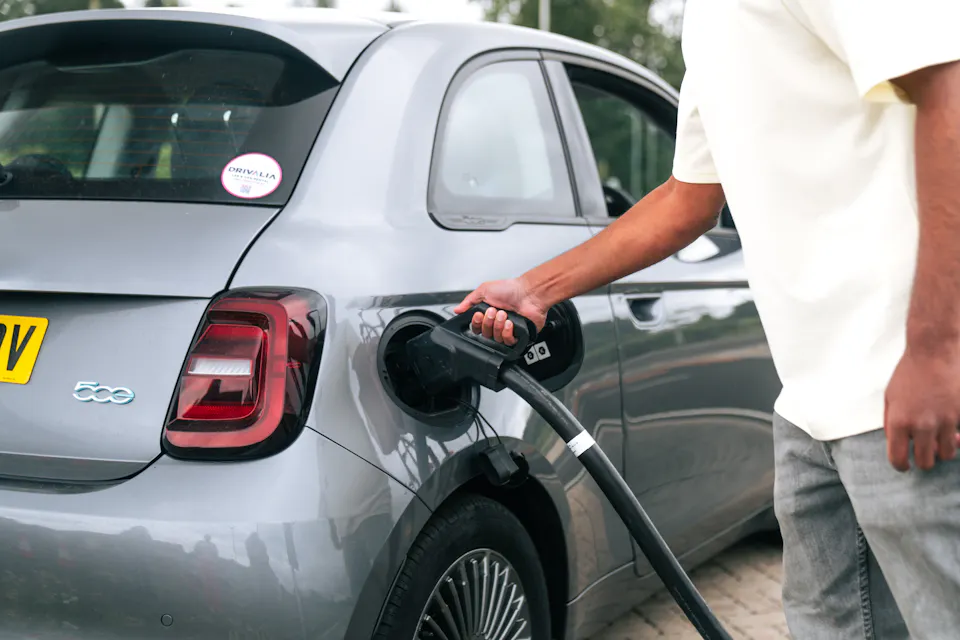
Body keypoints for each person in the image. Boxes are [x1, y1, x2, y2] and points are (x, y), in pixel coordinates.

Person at [454, 1, 960, 638]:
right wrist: (534, 290)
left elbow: (949, 87)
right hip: (811, 408)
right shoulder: (710, 18)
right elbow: (686, 198)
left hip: (910, 384)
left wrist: (938, 349)